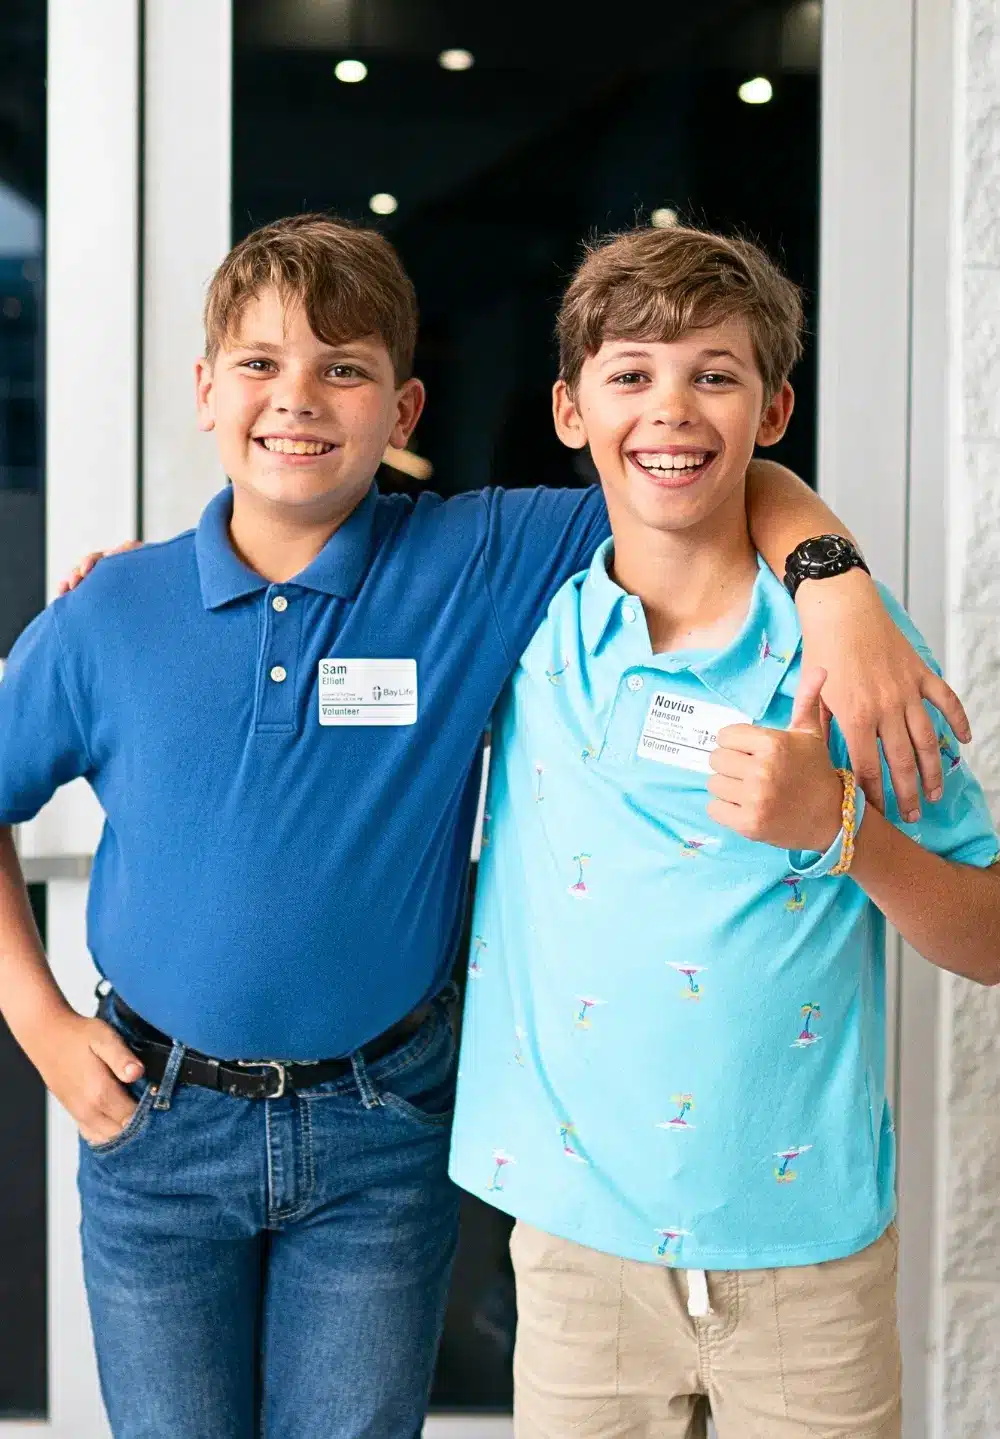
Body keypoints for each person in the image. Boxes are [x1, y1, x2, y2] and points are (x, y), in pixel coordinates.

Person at [0, 213, 971, 1439]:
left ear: (402, 411)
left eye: (343, 368)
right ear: (204, 389)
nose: (298, 399)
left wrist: (833, 583)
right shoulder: (114, 612)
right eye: (259, 364)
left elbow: (692, 467)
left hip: (379, 1127)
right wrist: (37, 1019)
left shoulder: (479, 558)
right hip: (156, 1122)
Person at [448, 224, 1000, 1439]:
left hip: (806, 1260)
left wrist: (845, 827)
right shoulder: (517, 617)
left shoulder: (849, 657)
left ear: (771, 408)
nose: (672, 410)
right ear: (568, 409)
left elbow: (990, 932)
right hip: (577, 1256)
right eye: (631, 374)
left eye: (715, 374)